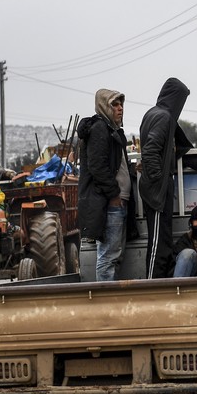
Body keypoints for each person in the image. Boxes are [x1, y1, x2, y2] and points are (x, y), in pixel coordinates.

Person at [77, 89, 134, 282]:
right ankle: (105, 302)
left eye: (121, 104)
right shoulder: (100, 129)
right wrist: (114, 195)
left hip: (118, 203)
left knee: (114, 256)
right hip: (111, 204)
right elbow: (97, 167)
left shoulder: (114, 130)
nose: (120, 109)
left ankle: (111, 301)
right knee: (108, 257)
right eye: (115, 105)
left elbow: (116, 164)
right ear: (104, 107)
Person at [139, 77, 193, 279]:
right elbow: (151, 150)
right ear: (175, 98)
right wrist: (158, 178)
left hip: (158, 184)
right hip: (157, 187)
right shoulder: (163, 117)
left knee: (163, 241)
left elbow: (162, 150)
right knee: (158, 243)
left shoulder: (154, 114)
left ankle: (161, 283)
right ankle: (152, 285)